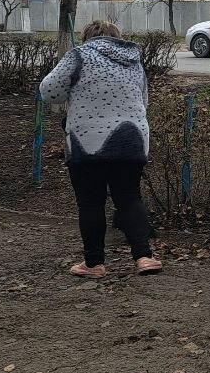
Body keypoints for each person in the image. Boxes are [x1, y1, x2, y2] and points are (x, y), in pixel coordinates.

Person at [39, 20, 161, 277]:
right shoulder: (134, 61)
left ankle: (94, 264)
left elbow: (49, 92)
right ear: (116, 37)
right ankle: (144, 257)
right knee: (129, 197)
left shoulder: (78, 55)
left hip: (87, 141)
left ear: (87, 37)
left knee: (90, 202)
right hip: (133, 138)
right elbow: (144, 100)